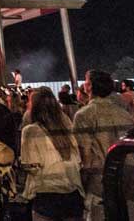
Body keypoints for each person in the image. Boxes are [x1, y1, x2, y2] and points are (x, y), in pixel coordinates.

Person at [72, 70, 134, 221]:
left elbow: (84, 152)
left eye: (86, 81)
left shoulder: (84, 115)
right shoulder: (123, 113)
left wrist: (81, 181)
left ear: (89, 87)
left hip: (101, 179)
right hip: (130, 175)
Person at [20, 87, 85, 221]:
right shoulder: (66, 125)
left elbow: (31, 165)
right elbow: (78, 159)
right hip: (73, 193)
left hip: (47, 194)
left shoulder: (31, 131)